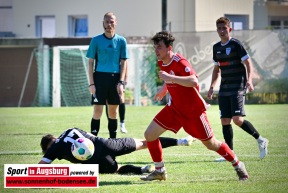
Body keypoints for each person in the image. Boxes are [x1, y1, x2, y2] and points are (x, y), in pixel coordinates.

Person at [140, 31, 249, 182]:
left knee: (211, 144)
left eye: (159, 47)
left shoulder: (180, 62)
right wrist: (164, 89)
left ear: (169, 48)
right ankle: (160, 171)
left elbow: (193, 81)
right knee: (150, 135)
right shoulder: (161, 61)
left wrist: (170, 78)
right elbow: (170, 79)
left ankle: (238, 164)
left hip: (193, 113)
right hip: (174, 109)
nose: (156, 50)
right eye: (155, 47)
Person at [207, 17, 269, 162]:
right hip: (224, 88)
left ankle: (261, 140)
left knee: (237, 119)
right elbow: (216, 70)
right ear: (217, 30)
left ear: (230, 29)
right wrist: (211, 87)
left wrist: (249, 80)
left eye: (224, 28)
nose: (222, 31)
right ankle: (230, 154)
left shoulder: (236, 44)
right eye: (219, 28)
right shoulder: (216, 47)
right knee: (225, 121)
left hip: (238, 87)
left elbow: (248, 62)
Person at [38, 127, 195, 174]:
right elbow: (91, 136)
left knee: (117, 170)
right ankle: (181, 141)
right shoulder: (70, 129)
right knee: (145, 143)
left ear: (48, 146)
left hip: (95, 161)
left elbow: (39, 168)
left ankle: (142, 170)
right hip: (105, 144)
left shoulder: (54, 150)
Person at [86, 12, 128, 138]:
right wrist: (92, 83)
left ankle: (113, 142)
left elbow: (124, 62)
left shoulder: (121, 41)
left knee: (113, 112)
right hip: (99, 78)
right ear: (102, 23)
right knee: (97, 111)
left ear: (116, 23)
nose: (108, 24)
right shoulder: (96, 40)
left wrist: (121, 82)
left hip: (115, 79)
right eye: (106, 22)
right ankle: (93, 141)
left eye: (111, 22)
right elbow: (90, 63)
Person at [105, 65, 128, 133]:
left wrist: (126, 78)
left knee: (121, 99)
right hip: (107, 76)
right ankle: (111, 123)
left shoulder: (119, 55)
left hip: (119, 77)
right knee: (108, 101)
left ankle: (122, 124)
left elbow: (125, 63)